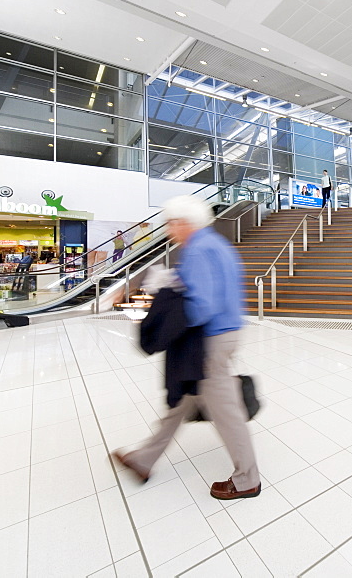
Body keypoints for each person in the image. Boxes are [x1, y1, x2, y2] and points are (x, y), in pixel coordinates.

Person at [113, 195, 260, 500]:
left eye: (171, 223)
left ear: (184, 223)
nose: (169, 230)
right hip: (223, 332)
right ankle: (144, 460)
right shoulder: (214, 244)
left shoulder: (199, 249)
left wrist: (166, 326)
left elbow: (203, 304)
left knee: (226, 412)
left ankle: (247, 479)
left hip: (210, 339)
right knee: (180, 402)